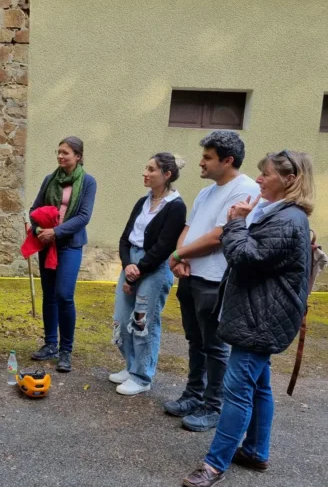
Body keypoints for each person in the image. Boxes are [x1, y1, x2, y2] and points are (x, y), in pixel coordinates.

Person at [181, 151, 314, 487]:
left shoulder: (287, 220)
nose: (258, 180)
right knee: (259, 385)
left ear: (289, 180)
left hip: (261, 319)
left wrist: (236, 222)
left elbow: (245, 256)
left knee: (237, 390)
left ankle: (214, 465)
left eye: (265, 174)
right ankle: (255, 451)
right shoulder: (278, 213)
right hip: (262, 313)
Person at [164, 130, 260, 432]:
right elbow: (190, 228)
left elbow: (219, 237)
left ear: (227, 160)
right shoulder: (206, 192)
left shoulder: (243, 190)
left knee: (215, 347)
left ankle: (213, 405)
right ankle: (193, 394)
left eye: (208, 157)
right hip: (191, 278)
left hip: (215, 280)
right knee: (196, 341)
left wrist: (179, 254)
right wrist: (180, 258)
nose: (201, 163)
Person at [109, 153, 186, 395]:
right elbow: (124, 238)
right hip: (131, 264)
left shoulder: (175, 206)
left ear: (167, 175)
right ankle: (131, 366)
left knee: (143, 323)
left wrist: (138, 271)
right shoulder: (142, 201)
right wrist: (126, 265)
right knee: (122, 320)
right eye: (146, 167)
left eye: (151, 169)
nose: (145, 172)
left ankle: (142, 377)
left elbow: (164, 246)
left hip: (153, 268)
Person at [28, 136, 97, 373]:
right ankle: (50, 344)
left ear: (78, 156)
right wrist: (38, 230)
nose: (60, 156)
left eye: (65, 153)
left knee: (64, 295)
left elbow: (83, 216)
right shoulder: (50, 180)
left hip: (69, 245)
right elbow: (34, 210)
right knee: (49, 295)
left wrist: (55, 232)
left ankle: (66, 350)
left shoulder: (88, 182)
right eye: (58, 152)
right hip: (46, 244)